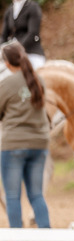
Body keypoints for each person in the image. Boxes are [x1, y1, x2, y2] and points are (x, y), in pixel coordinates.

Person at [0, 41, 51, 229]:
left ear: (7, 63)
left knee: (12, 196)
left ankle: (17, 239)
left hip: (14, 144)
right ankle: (48, 236)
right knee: (36, 194)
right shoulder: (39, 80)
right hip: (39, 143)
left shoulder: (5, 84)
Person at [2, 0, 45, 69]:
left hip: (31, 52)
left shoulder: (33, 7)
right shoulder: (9, 10)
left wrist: (16, 49)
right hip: (12, 52)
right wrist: (2, 48)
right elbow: (4, 35)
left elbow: (33, 33)